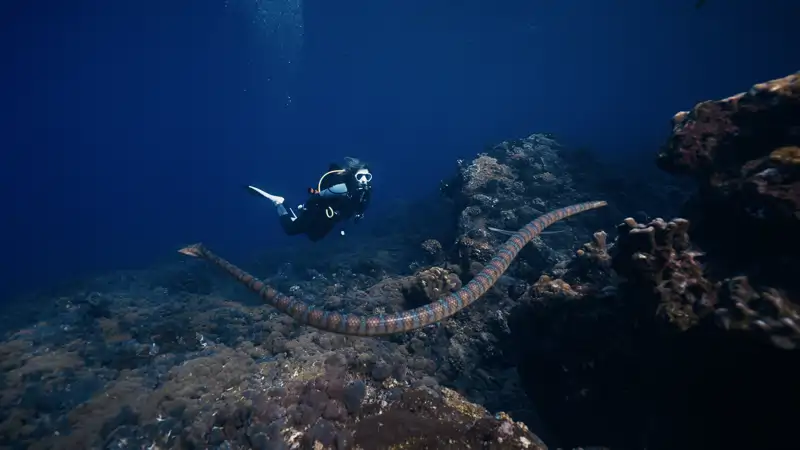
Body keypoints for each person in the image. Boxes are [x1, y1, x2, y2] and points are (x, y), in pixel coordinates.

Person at [247, 157, 373, 241]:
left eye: (367, 176)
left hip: (330, 218)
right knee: (291, 230)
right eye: (360, 176)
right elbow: (318, 196)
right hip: (316, 210)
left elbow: (357, 209)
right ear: (354, 176)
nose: (364, 180)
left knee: (313, 237)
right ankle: (279, 202)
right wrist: (305, 207)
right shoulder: (343, 188)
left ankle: (294, 215)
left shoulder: (364, 193)